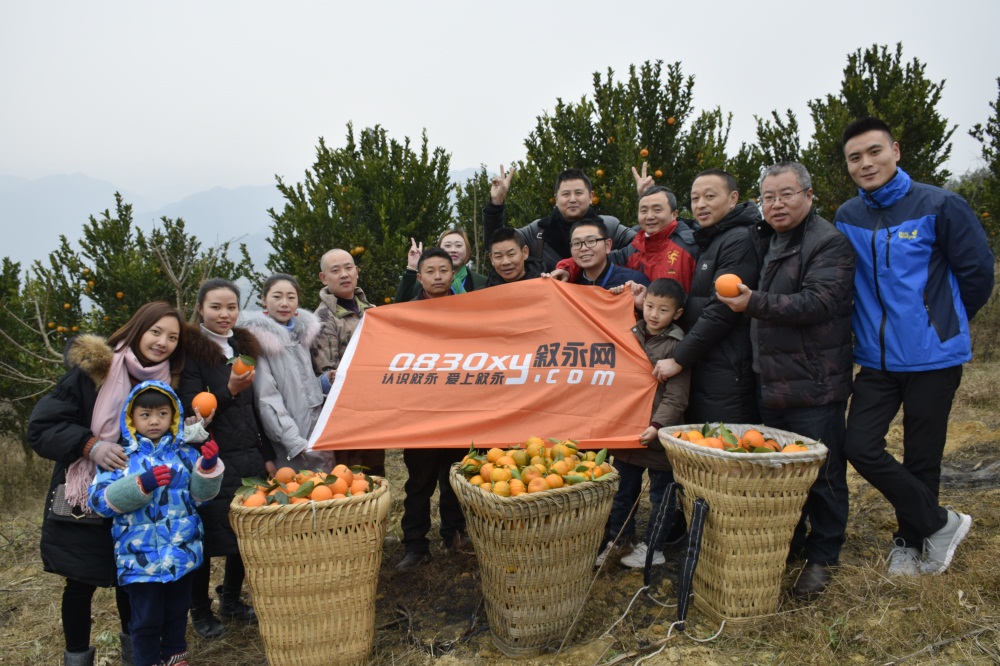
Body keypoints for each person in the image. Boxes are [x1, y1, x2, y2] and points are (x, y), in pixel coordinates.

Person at [835, 117, 995, 575]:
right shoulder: (848, 216)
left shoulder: (941, 204)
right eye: (855, 158)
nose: (866, 163)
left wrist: (945, 324)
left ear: (895, 150)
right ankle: (942, 523)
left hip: (933, 357)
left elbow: (977, 274)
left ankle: (910, 540)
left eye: (874, 152)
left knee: (922, 455)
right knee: (859, 445)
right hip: (878, 359)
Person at [717, 162, 855, 597]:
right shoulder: (764, 238)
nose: (777, 204)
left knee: (823, 472)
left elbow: (818, 302)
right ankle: (791, 543)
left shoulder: (828, 243)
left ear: (809, 195)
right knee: (778, 470)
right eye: (769, 197)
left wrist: (754, 302)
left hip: (814, 381)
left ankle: (824, 555)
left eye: (787, 194)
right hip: (769, 378)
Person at [28, 301, 188, 666]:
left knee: (129, 579)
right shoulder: (95, 371)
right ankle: (77, 658)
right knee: (80, 582)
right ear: (138, 329)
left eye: (173, 337)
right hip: (84, 494)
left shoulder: (168, 385)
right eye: (156, 332)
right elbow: (41, 427)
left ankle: (137, 655)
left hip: (141, 499)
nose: (163, 342)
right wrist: (91, 445)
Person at [89, 382, 224, 666]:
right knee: (146, 618)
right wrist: (139, 485)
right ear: (131, 419)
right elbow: (100, 502)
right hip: (141, 561)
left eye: (162, 414)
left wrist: (208, 469)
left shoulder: (185, 454)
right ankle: (147, 660)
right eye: (145, 415)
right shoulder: (120, 458)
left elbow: (201, 498)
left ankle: (175, 656)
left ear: (173, 417)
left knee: (177, 610)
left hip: (181, 553)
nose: (154, 421)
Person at [179, 278, 272, 638]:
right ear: (200, 309)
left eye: (231, 306)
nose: (224, 314)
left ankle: (231, 599)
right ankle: (200, 612)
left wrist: (265, 453)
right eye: (216, 307)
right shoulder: (192, 354)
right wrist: (228, 390)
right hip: (212, 458)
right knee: (205, 538)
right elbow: (191, 407)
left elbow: (256, 407)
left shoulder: (243, 347)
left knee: (245, 536)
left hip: (248, 454)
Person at [652, 169, 761, 423]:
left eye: (710, 196)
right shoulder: (711, 238)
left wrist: (679, 358)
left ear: (733, 198)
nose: (700, 205)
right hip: (710, 363)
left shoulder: (738, 239)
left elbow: (720, 311)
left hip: (727, 370)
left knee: (722, 451)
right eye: (695, 198)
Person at [596, 279, 690, 569]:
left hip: (658, 433)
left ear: (677, 314)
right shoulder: (629, 333)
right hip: (626, 432)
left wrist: (659, 424)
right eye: (649, 306)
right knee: (623, 491)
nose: (654, 314)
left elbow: (677, 396)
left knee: (662, 495)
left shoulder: (678, 346)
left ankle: (653, 546)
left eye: (663, 310)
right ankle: (619, 539)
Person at [396, 248, 472, 570]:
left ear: (453, 274)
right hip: (421, 413)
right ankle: (415, 545)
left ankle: (456, 533)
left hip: (460, 408)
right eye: (431, 271)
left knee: (457, 477)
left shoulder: (472, 310)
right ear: (420, 276)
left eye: (444, 270)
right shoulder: (404, 316)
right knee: (419, 483)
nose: (438, 276)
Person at [243, 273, 333, 471]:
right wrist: (293, 441)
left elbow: (300, 387)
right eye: (277, 296)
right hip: (288, 443)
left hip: (316, 433)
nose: (284, 303)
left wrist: (323, 383)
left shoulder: (301, 337)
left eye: (291, 297)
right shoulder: (259, 342)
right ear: (264, 299)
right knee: (297, 493)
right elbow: (267, 399)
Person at [310, 249, 384, 476]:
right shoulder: (323, 319)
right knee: (351, 476)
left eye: (348, 268)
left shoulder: (370, 311)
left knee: (376, 472)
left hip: (373, 409)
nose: (344, 274)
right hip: (345, 414)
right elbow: (328, 372)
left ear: (356, 272)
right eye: (335, 270)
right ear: (324, 278)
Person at [483, 166, 635, 271]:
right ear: (556, 199)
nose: (572, 199)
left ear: (591, 197)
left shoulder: (609, 227)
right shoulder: (538, 231)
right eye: (566, 194)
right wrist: (496, 204)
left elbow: (645, 245)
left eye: (579, 193)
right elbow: (496, 242)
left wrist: (602, 261)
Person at [553, 183, 698, 290]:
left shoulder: (691, 245)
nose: (649, 216)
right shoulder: (634, 248)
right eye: (643, 210)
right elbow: (597, 257)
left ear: (674, 214)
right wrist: (567, 268)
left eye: (657, 210)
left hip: (680, 328)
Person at [395, 228, 487, 302]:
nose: (453, 250)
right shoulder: (425, 282)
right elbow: (400, 305)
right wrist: (412, 267)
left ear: (467, 250)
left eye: (458, 246)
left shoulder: (483, 282)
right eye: (447, 246)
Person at [567, 218, 650, 290]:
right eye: (577, 243)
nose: (583, 248)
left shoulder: (634, 281)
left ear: (607, 245)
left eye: (591, 241)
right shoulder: (568, 284)